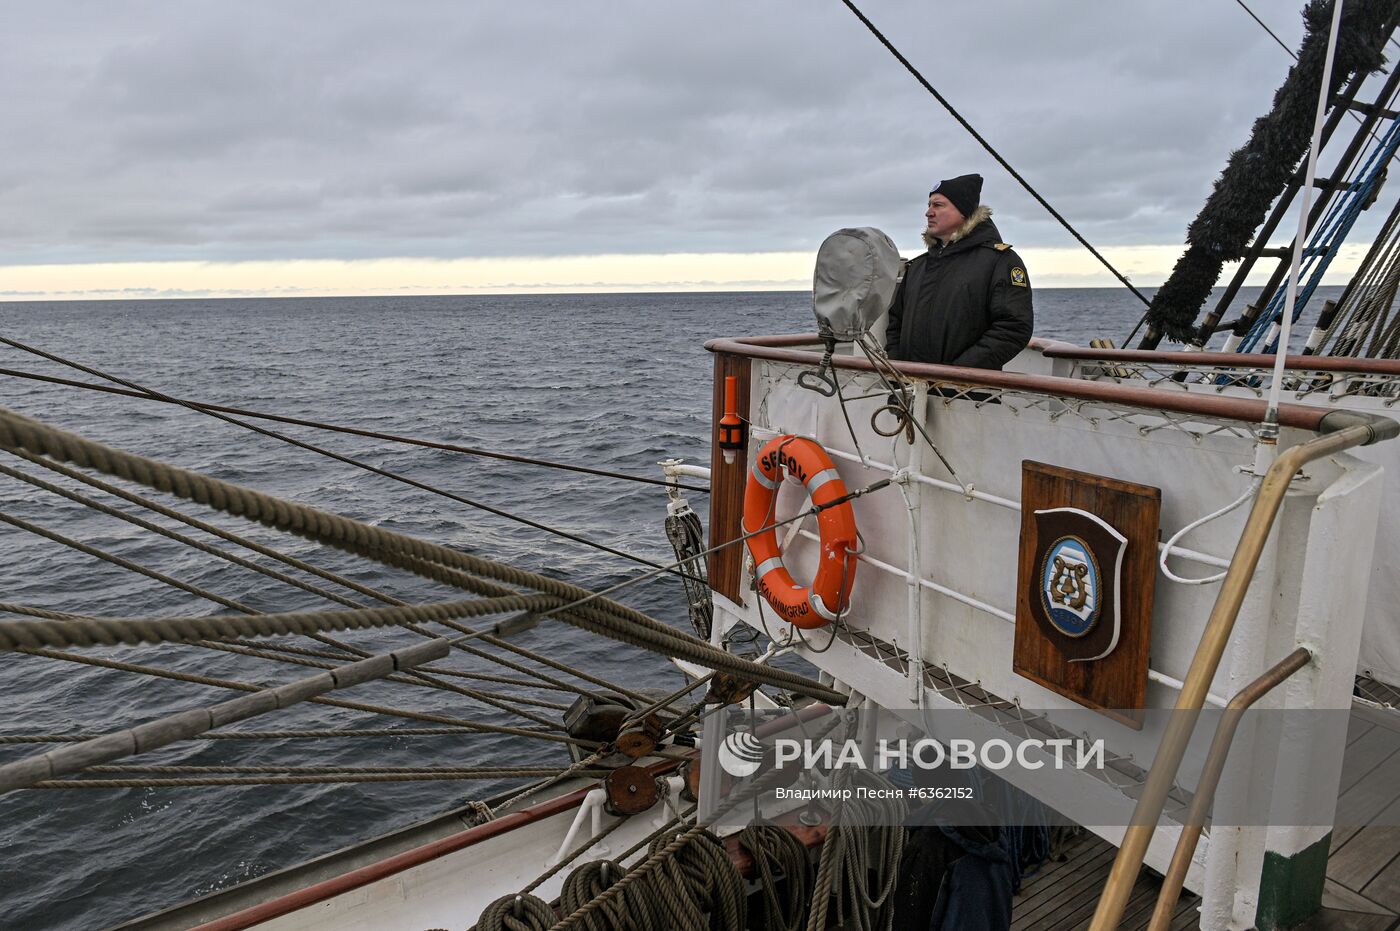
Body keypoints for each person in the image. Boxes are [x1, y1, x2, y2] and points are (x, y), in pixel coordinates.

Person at [884, 174, 1033, 369]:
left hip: (966, 393)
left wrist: (958, 374)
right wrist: (899, 369)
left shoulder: (1000, 261)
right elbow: (896, 323)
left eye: (938, 205)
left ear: (964, 211)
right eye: (929, 205)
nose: (928, 212)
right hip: (909, 389)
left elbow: (1013, 328)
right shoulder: (918, 267)